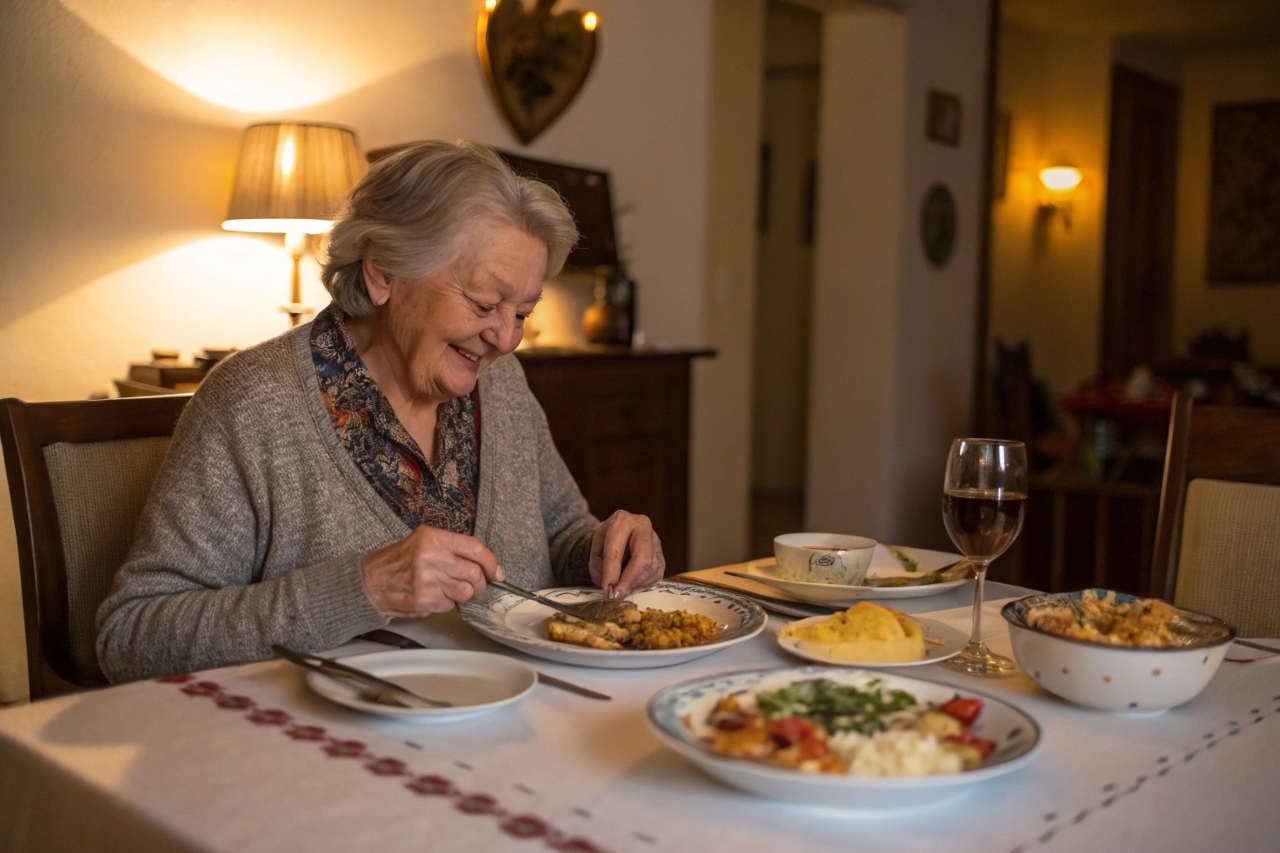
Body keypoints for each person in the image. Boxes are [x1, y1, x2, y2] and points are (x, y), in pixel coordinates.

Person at [96, 141, 665, 682]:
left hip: (516, 716)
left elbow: (562, 531)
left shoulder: (503, 385)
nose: (505, 339)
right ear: (384, 270)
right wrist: (359, 590)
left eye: (521, 312)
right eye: (486, 304)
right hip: (322, 750)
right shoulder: (254, 405)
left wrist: (602, 551)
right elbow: (131, 637)